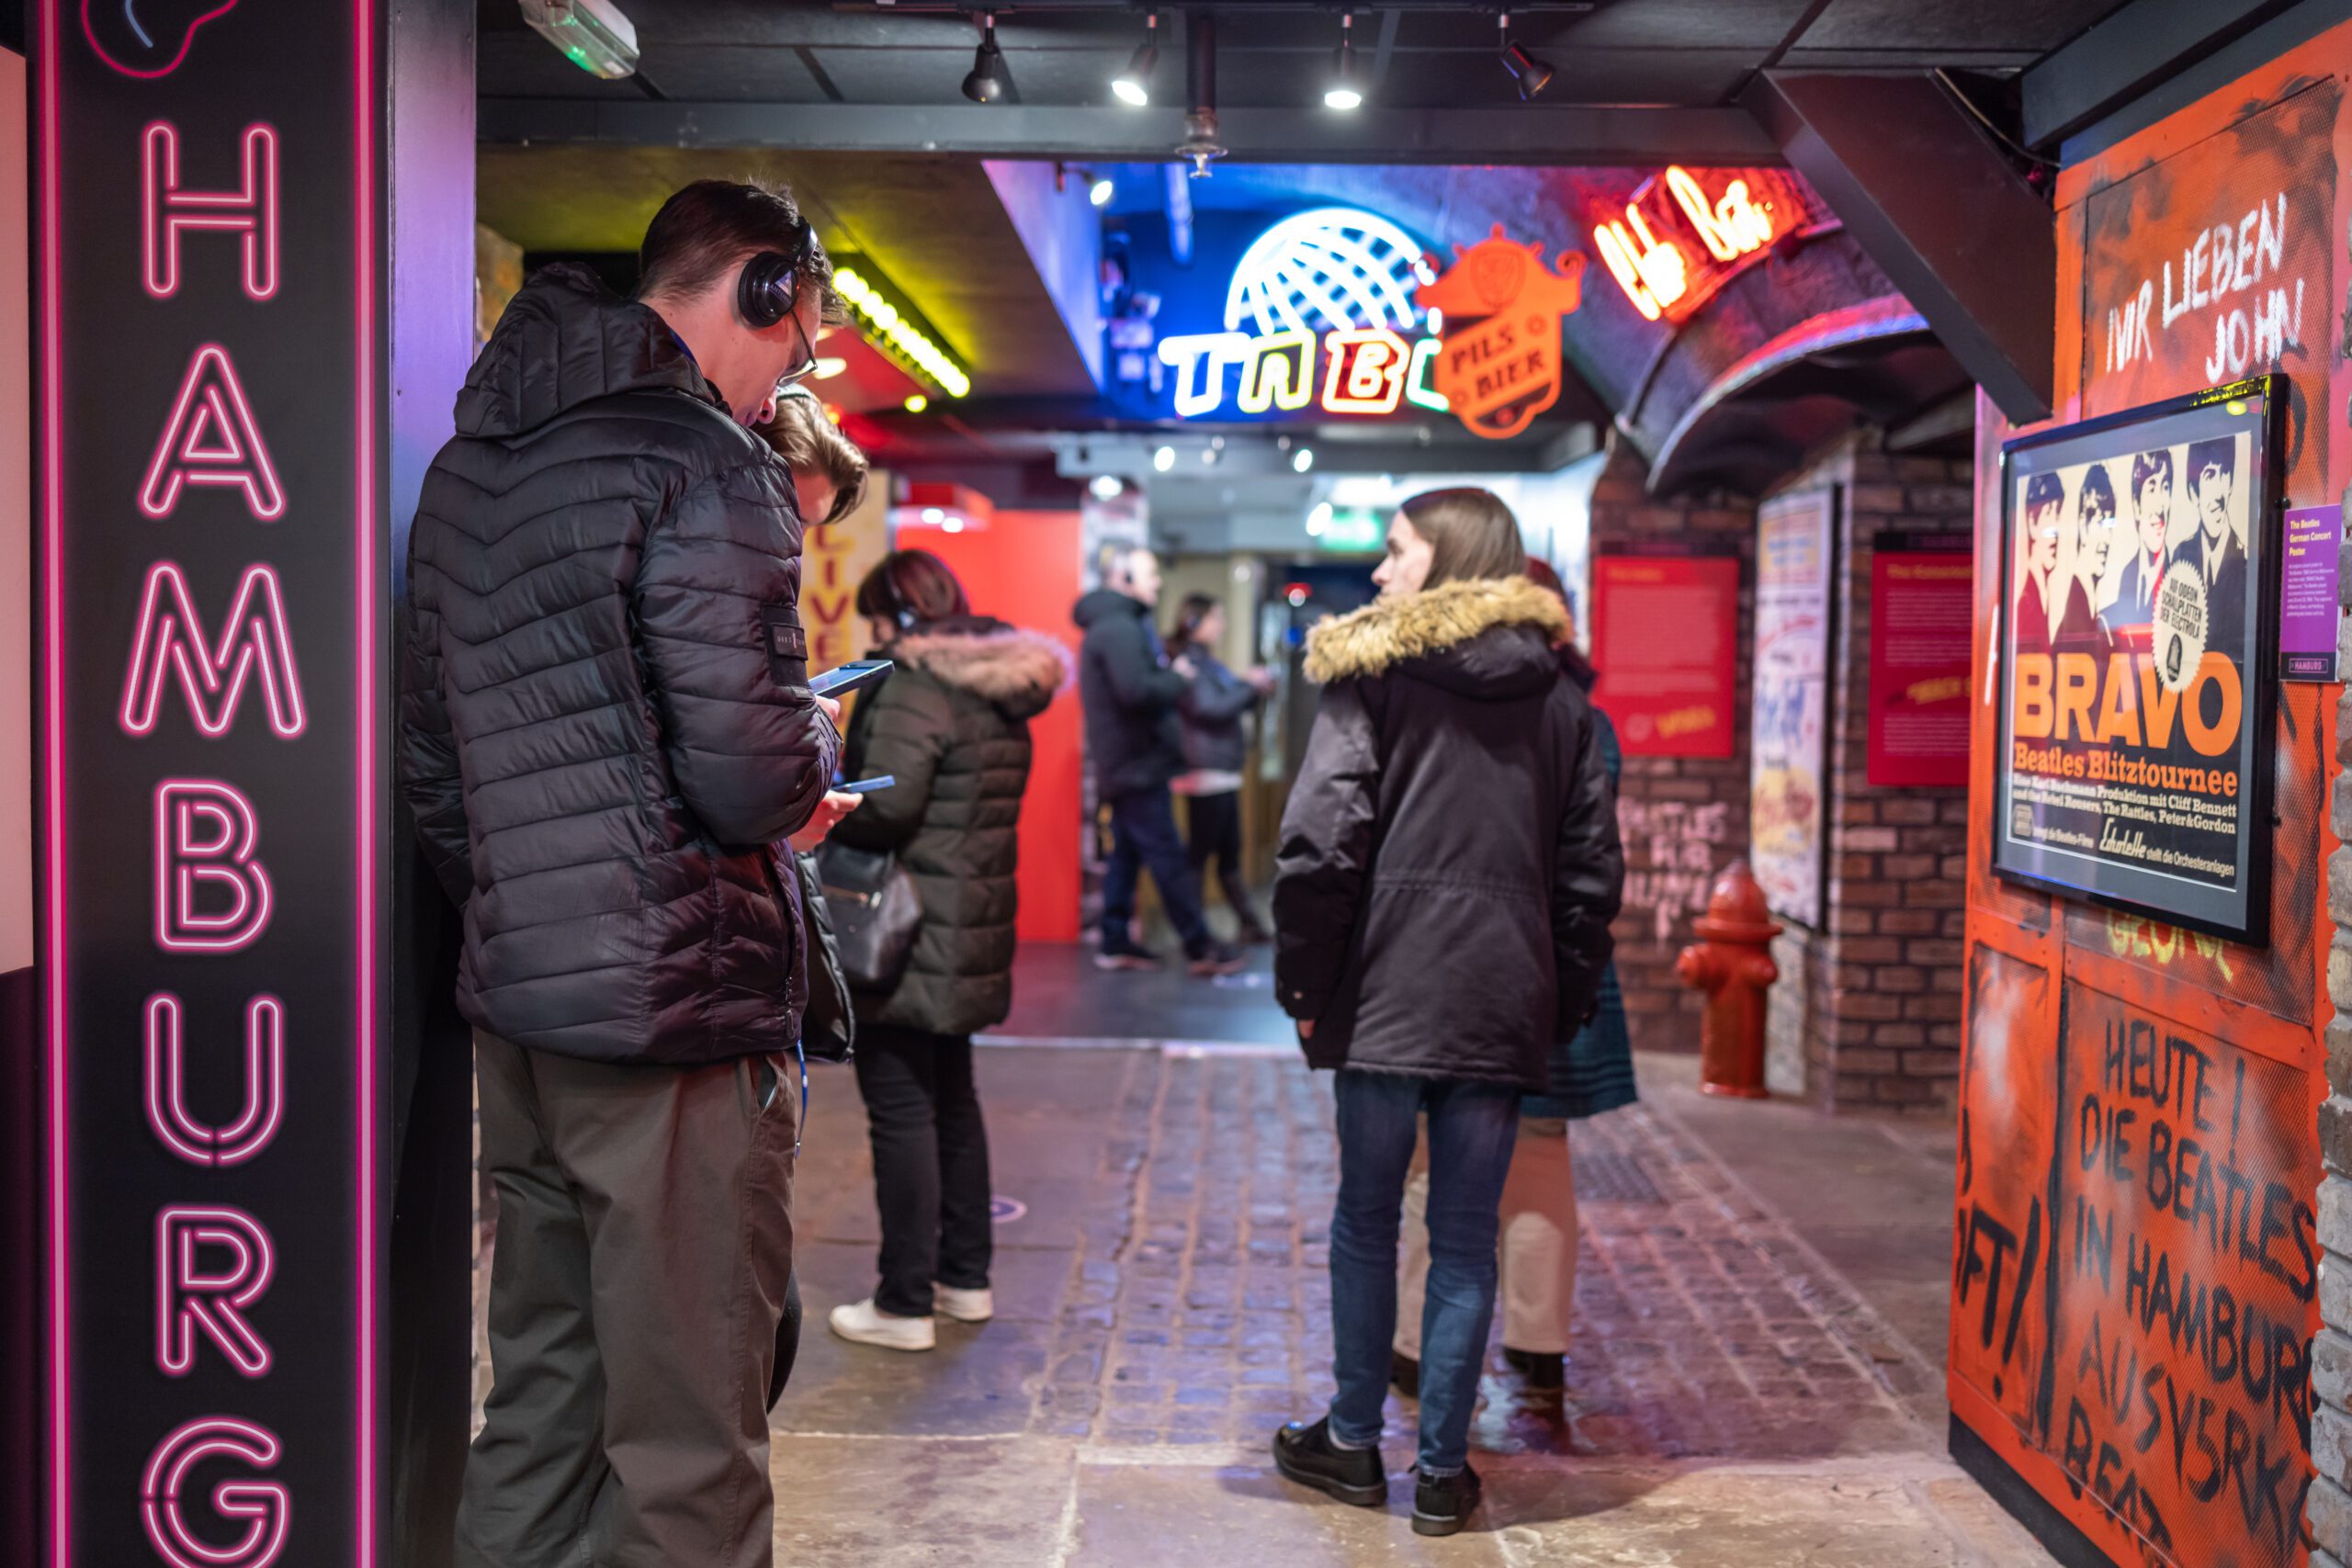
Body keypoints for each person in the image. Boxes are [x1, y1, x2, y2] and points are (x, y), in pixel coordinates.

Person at [401, 178, 860, 1568]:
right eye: (803, 338)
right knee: (689, 1443)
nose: (797, 369)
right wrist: (808, 767)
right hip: (674, 1017)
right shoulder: (711, 464)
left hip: (526, 1008)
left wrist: (539, 902)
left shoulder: (471, 463)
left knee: (539, 1398)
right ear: (761, 288)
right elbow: (747, 775)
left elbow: (435, 765)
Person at [1269, 490, 1623, 1537]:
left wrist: (1305, 987)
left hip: (1383, 994)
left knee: (1366, 1221)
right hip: (1498, 1000)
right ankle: (1438, 1473)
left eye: (1394, 551)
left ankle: (1347, 1442)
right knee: (1464, 1239)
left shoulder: (1371, 674)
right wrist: (1556, 993)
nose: (1379, 573)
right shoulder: (1562, 695)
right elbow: (1590, 873)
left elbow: (1319, 843)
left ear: (1447, 559)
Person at [1390, 558, 1633, 1399]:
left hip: (1462, 959)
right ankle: (1539, 1340)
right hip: (1562, 958)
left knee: (1430, 1151)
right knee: (1540, 1149)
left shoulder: (1449, 705)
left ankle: (1414, 1340)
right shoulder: (1586, 718)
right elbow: (1595, 864)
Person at [823, 549, 1070, 1352]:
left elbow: (889, 805)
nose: (871, 632)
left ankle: (903, 1303)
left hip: (905, 930)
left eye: (875, 617)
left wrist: (827, 784)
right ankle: (964, 1279)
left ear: (897, 611)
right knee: (952, 1101)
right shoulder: (995, 685)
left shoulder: (914, 682)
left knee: (899, 1106)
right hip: (968, 921)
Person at [1074, 547, 1246, 975]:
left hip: (1128, 763)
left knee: (1127, 856)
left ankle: (1115, 941)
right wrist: (1178, 678)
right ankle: (1199, 945)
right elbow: (1135, 692)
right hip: (1136, 764)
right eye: (1150, 575)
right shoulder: (1118, 628)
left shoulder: (1116, 625)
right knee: (1167, 856)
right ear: (1123, 578)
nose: (1157, 583)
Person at [1167, 592, 1276, 943]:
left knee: (1227, 853)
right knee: (1200, 856)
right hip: (1204, 772)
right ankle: (1196, 935)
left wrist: (1251, 688)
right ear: (1195, 621)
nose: (1222, 625)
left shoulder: (1206, 663)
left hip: (1220, 770)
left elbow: (1224, 703)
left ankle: (1247, 924)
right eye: (1216, 617)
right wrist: (1249, 685)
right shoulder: (1189, 662)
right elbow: (1209, 709)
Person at [2171, 435, 2247, 653]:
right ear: (2193, 492)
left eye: (2225, 475)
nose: (2218, 494)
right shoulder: (2181, 556)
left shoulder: (2247, 562)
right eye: (2210, 476)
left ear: (2231, 483)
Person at [2105, 448, 2171, 637]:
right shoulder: (2127, 573)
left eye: (2165, 487)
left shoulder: (2180, 572)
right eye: (2151, 488)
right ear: (2136, 504)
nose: (2160, 507)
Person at [2053, 465, 2113, 659]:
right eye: (2101, 522)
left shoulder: (2087, 606)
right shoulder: (2076, 610)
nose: (2107, 538)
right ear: (2082, 525)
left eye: (2110, 524)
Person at [2014, 470, 2066, 651]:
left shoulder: (2046, 598)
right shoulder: (2025, 605)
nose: (2056, 528)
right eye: (2049, 513)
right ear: (2031, 522)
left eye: (2058, 513)